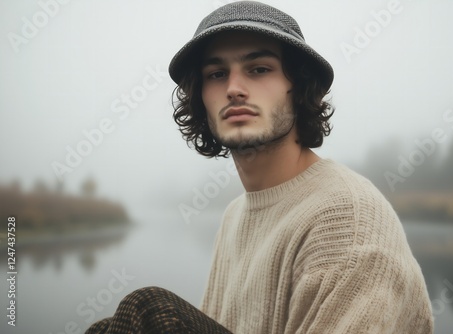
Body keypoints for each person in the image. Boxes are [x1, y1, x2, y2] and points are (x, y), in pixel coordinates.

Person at [86, 1, 434, 333]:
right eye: (217, 73)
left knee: (150, 310)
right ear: (201, 97)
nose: (234, 89)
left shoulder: (348, 216)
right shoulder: (235, 215)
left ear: (297, 87)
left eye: (259, 69)